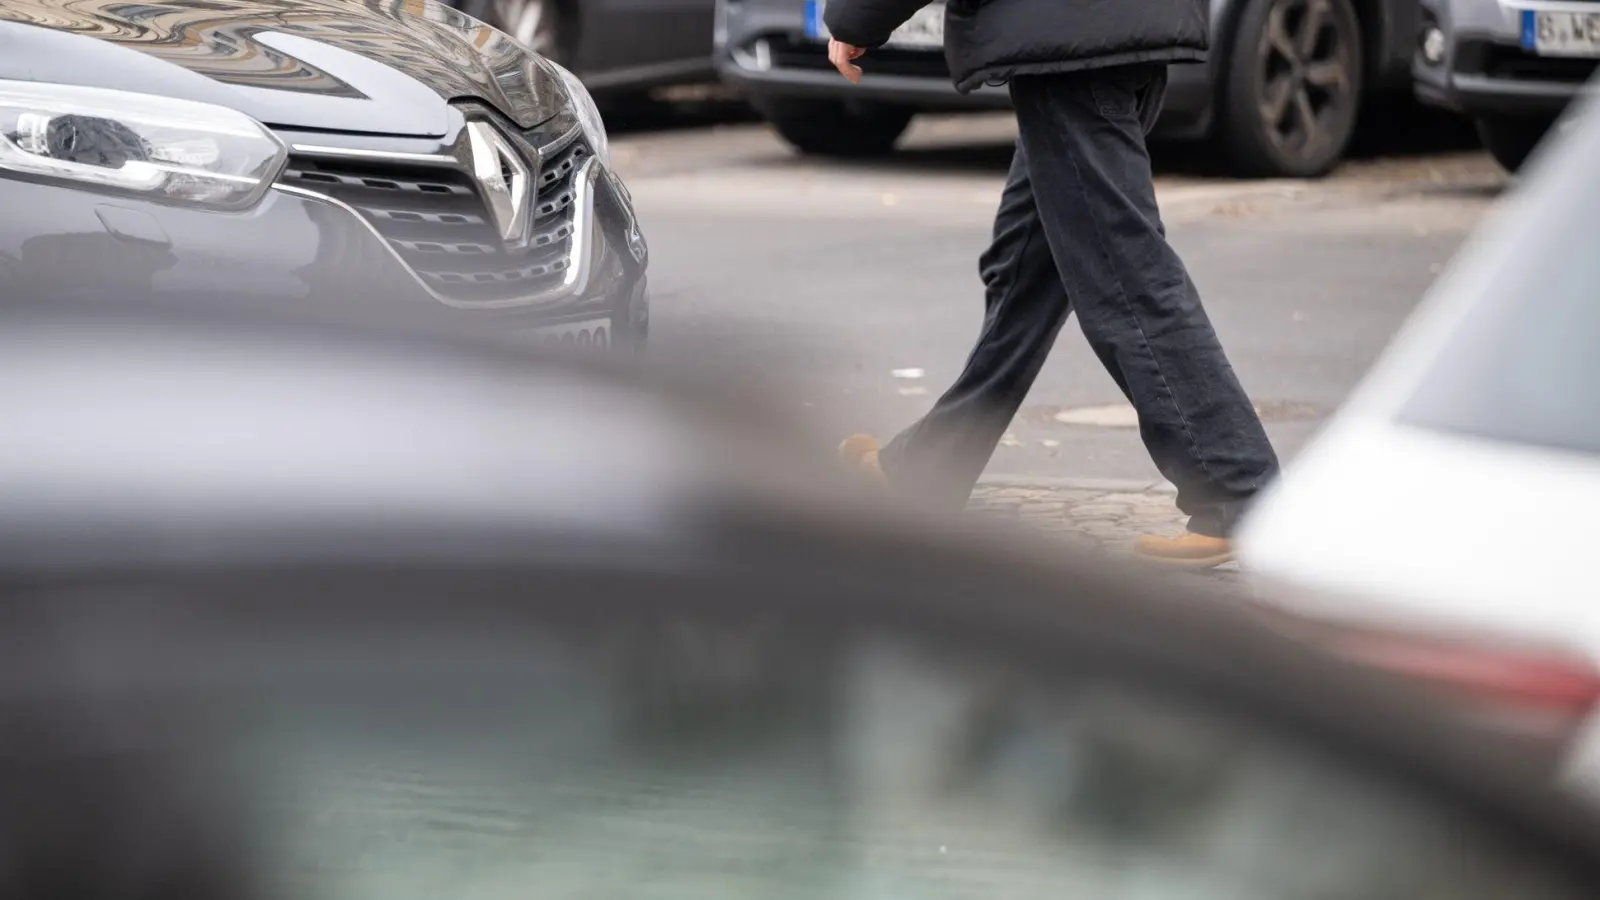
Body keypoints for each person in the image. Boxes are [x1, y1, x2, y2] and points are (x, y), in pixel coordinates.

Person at [824, 0, 1280, 569]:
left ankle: (1237, 490)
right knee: (1024, 272)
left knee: (1126, 278)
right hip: (1110, 34)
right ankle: (924, 471)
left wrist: (856, 19)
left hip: (1071, 54)